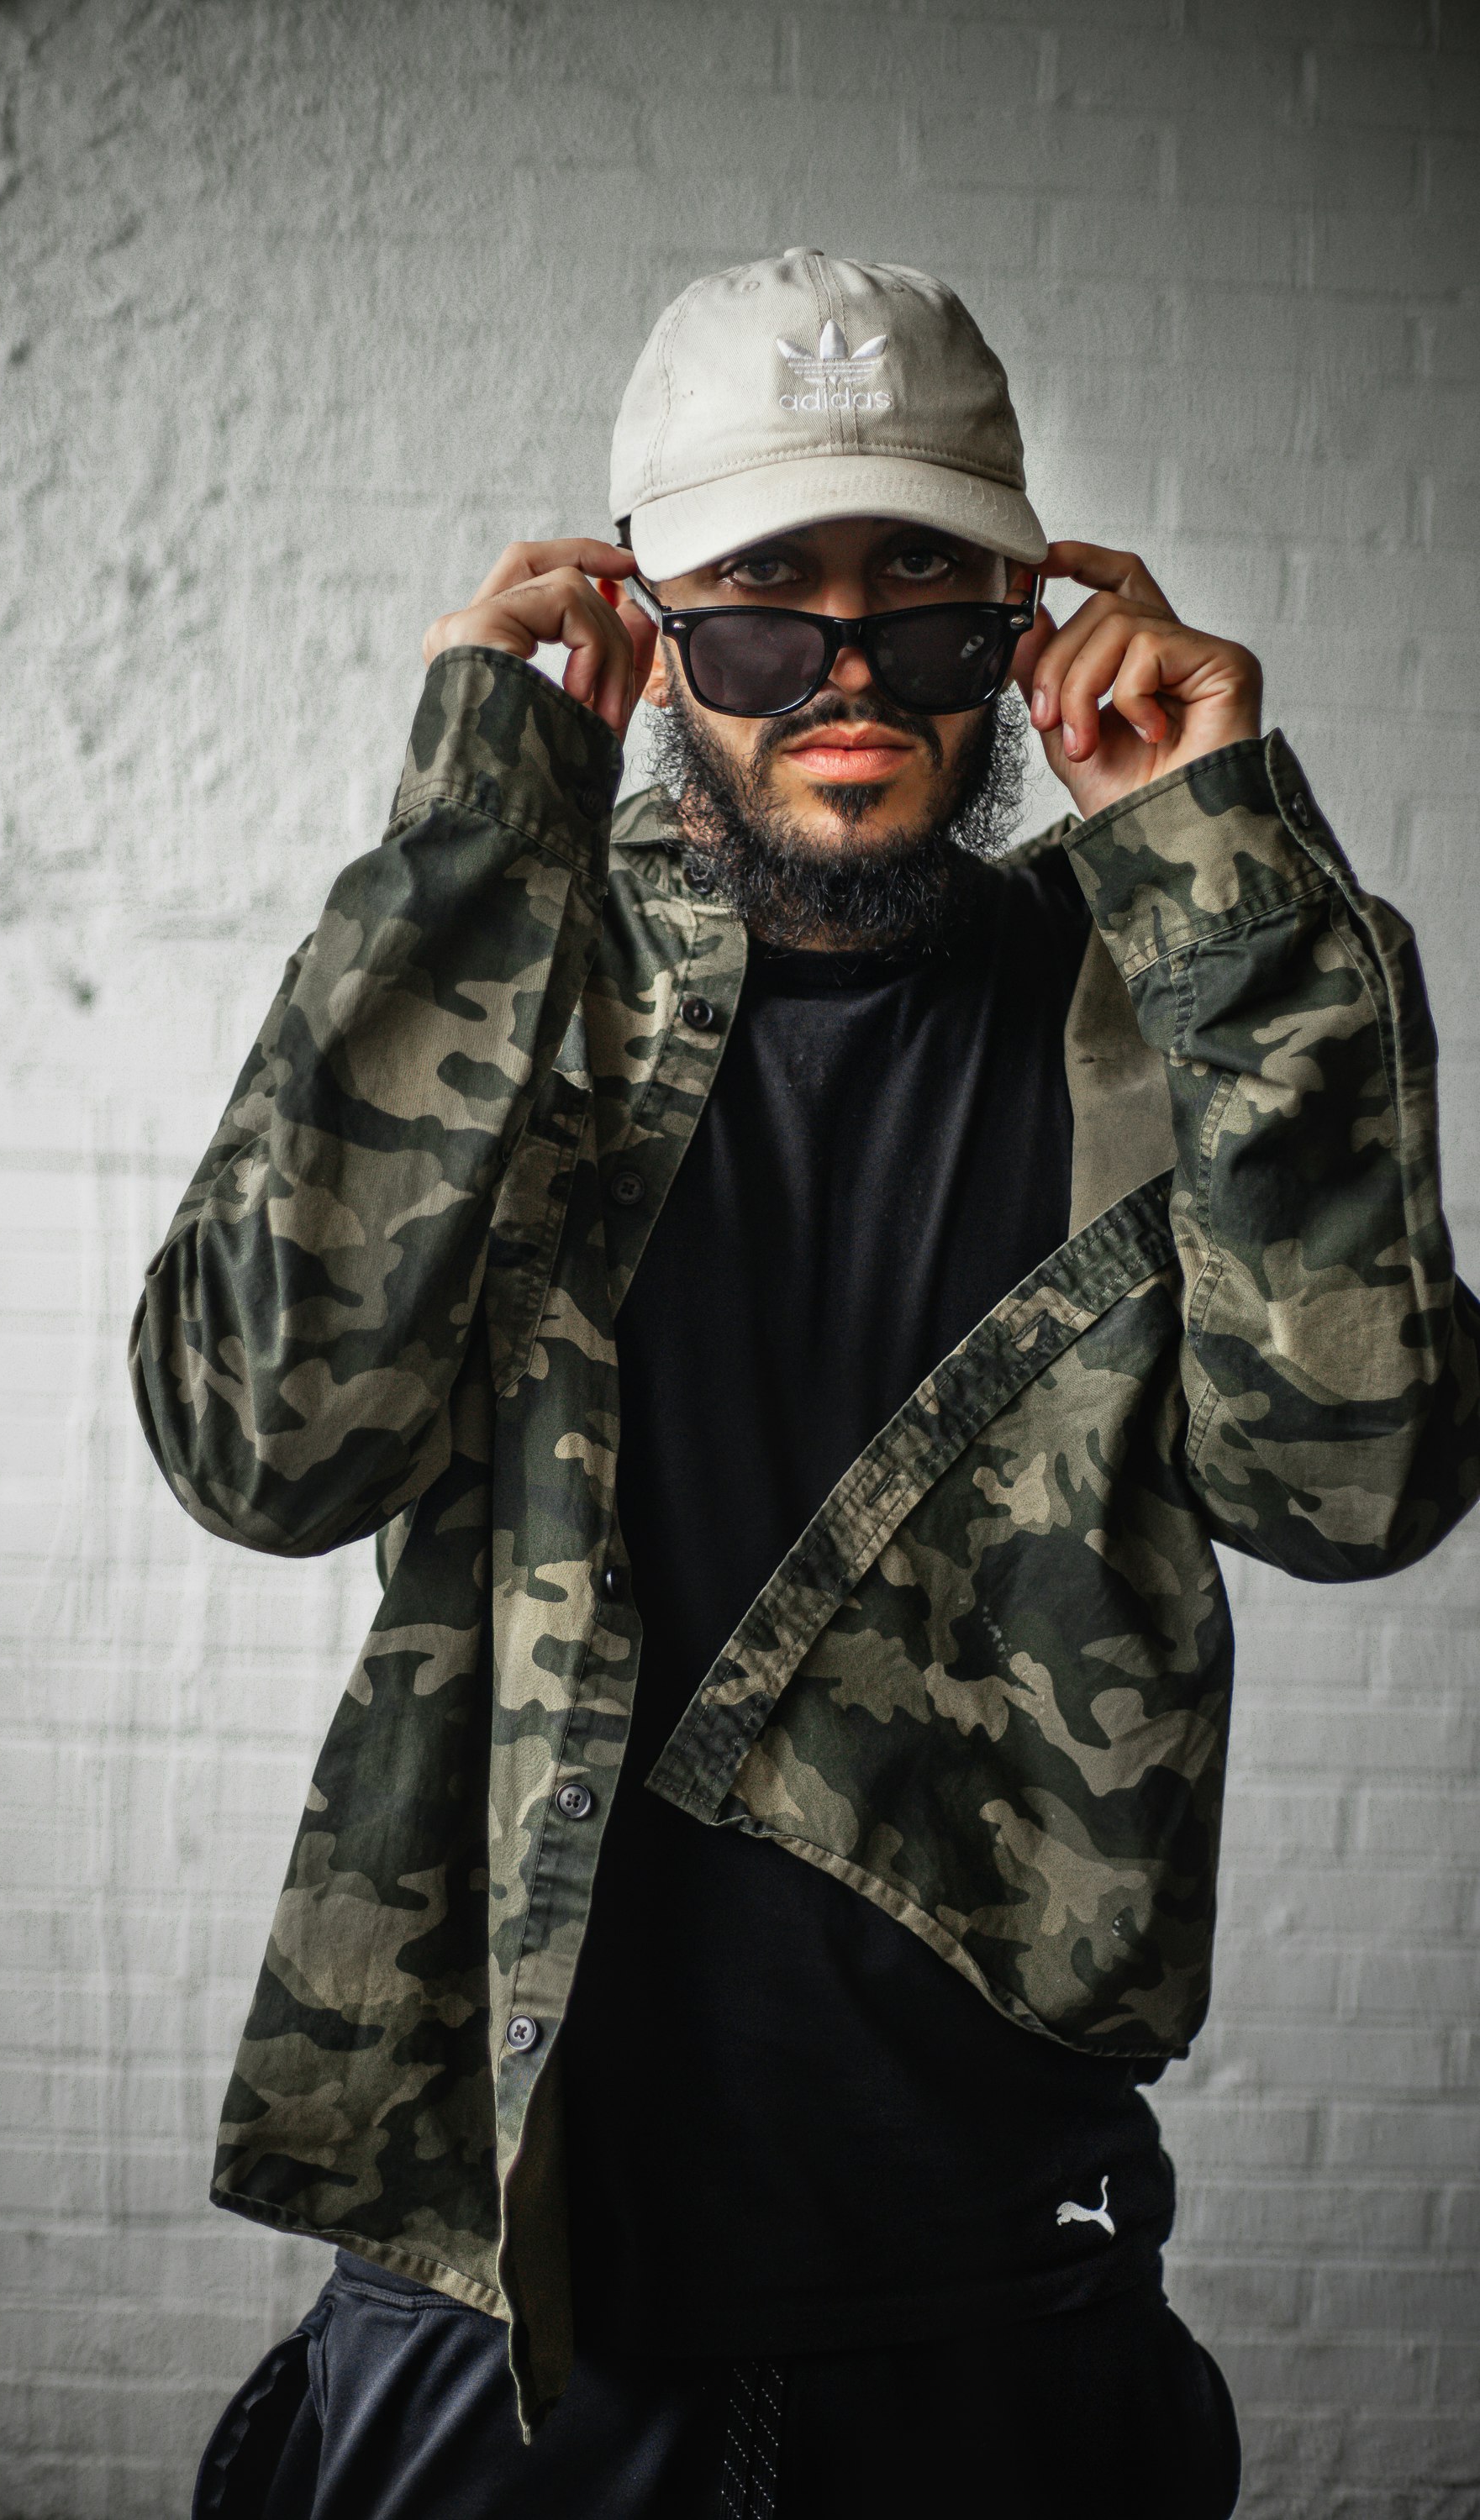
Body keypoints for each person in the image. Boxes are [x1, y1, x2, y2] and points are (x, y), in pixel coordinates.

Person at [133, 251, 1479, 2519]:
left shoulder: (1187, 989)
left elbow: (1356, 1488)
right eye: (766, 615)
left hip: (995, 2308)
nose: (848, 684)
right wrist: (478, 828)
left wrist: (1232, 865)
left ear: (1025, 631)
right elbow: (261, 1449)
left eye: (927, 609)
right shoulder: (508, 973)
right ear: (652, 630)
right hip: (507, 2307)